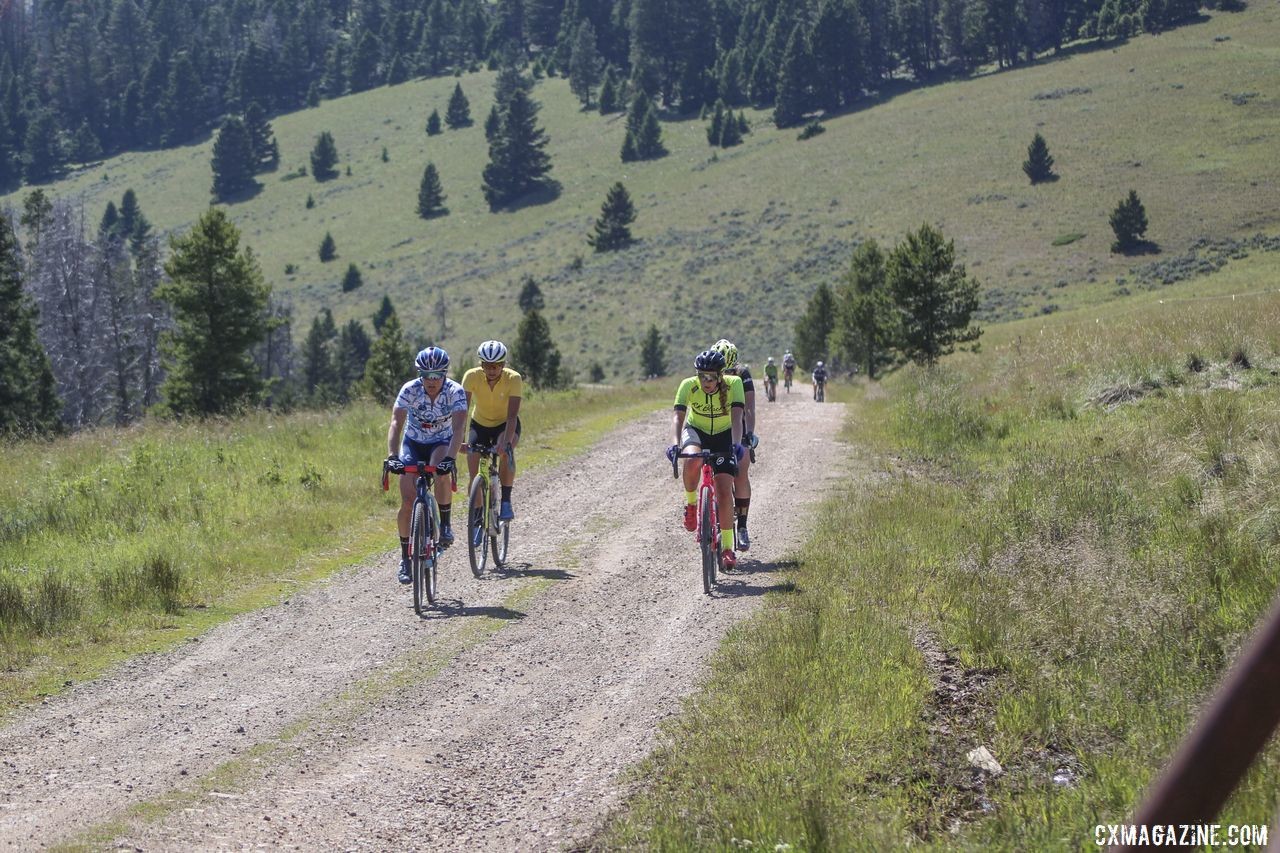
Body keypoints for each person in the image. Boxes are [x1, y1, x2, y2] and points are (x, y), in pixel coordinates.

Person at [387, 346, 468, 584]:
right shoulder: (409, 390)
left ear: (444, 374)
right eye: (426, 375)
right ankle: (405, 558)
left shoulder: (455, 391)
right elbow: (395, 423)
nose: (431, 381)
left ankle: (445, 526)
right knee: (407, 500)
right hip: (413, 442)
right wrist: (392, 455)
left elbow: (458, 429)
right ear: (419, 374)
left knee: (440, 470)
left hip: (441, 442)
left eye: (436, 376)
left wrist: (450, 459)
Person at [669, 349, 745, 570]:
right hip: (697, 431)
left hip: (724, 435)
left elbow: (738, 417)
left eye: (711, 376)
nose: (706, 381)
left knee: (723, 489)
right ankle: (692, 504)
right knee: (692, 458)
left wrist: (737, 443)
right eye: (702, 375)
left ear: (721, 375)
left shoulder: (735, 384)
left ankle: (728, 548)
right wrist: (675, 443)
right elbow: (678, 417)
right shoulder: (688, 385)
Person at [461, 340, 522, 523]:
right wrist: (460, 441)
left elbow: (512, 416)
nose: (491, 370)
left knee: (505, 452)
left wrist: (505, 444)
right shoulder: (471, 376)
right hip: (480, 424)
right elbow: (462, 412)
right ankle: (478, 516)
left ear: (503, 365)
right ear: (481, 364)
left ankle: (505, 501)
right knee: (474, 470)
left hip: (505, 424)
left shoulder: (514, 379)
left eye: (495, 366)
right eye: (487, 365)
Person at [711, 339, 756, 552]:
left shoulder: (743, 374)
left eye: (729, 370)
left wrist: (749, 435)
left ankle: (742, 528)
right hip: (715, 426)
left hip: (738, 425)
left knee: (741, 471)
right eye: (722, 371)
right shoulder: (709, 371)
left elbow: (749, 409)